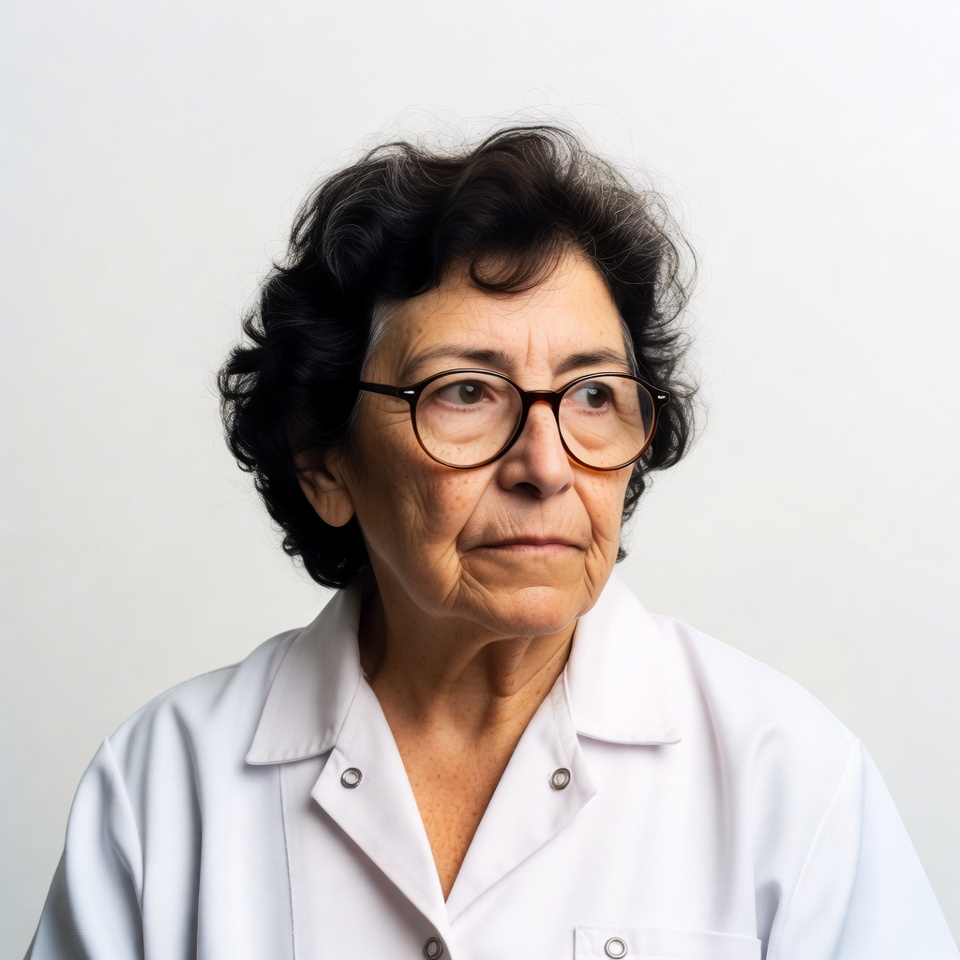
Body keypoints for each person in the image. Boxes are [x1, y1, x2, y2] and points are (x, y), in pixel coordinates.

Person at [26, 126, 957, 959]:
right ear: (326, 467)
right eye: (465, 392)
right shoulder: (162, 788)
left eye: (593, 395)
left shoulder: (790, 779)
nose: (546, 466)